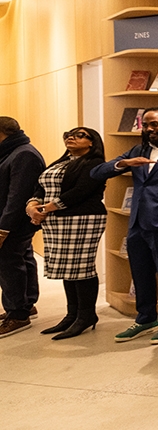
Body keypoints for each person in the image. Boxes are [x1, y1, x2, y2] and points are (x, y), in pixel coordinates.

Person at [92, 107, 158, 344]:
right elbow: (97, 172)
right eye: (146, 125)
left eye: (155, 124)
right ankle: (146, 318)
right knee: (140, 271)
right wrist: (124, 163)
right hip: (137, 220)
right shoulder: (139, 150)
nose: (149, 129)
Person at [25, 127, 107, 340]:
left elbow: (82, 191)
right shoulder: (61, 162)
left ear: (92, 142)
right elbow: (40, 186)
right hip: (56, 220)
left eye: (80, 135)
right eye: (68, 135)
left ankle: (86, 315)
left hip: (83, 218)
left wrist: (47, 208)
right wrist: (33, 204)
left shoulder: (95, 163)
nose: (71, 137)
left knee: (81, 267)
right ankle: (72, 315)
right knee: (67, 268)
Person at [0, 118, 46, 337]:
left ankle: (18, 314)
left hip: (14, 222)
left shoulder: (23, 154)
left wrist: (4, 228)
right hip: (14, 221)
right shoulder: (14, 150)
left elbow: (18, 196)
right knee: (23, 259)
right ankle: (25, 305)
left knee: (9, 263)